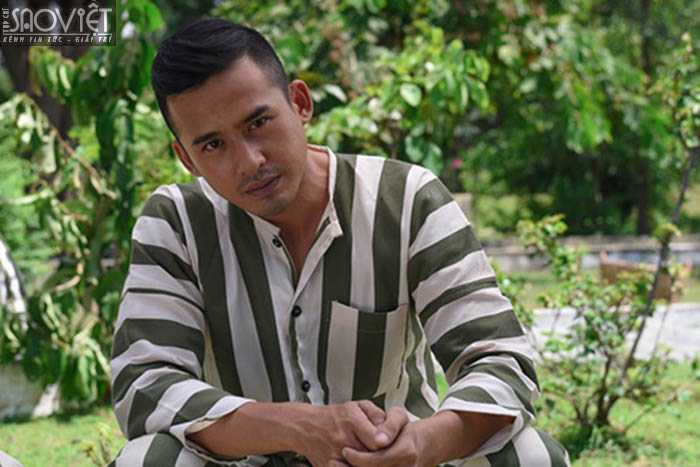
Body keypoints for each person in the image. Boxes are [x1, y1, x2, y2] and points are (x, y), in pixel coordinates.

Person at [109, 17, 569, 467]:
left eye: (258, 122)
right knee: (147, 461)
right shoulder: (177, 223)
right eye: (212, 145)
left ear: (300, 103)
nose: (249, 161)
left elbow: (499, 358)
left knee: (530, 456)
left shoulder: (406, 200)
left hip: (395, 460)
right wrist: (298, 427)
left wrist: (422, 444)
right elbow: (145, 385)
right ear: (186, 159)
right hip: (245, 461)